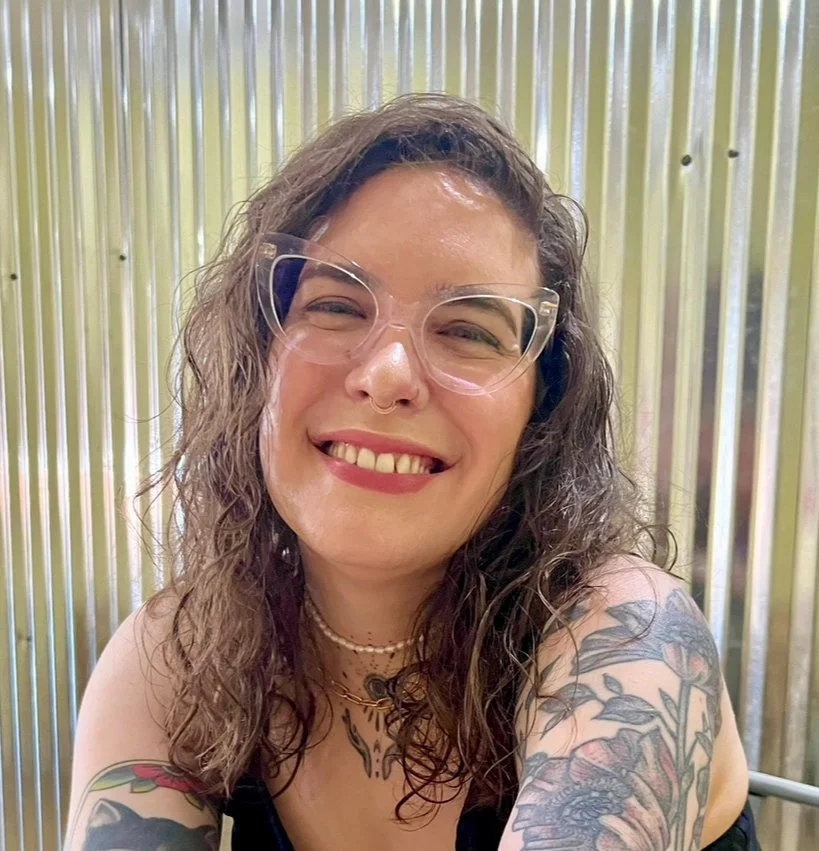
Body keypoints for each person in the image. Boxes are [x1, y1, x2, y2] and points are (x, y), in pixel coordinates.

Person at [65, 93, 760, 851]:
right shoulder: (184, 654)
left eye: (468, 330)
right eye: (334, 305)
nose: (388, 373)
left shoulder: (625, 637)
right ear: (256, 363)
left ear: (539, 409)